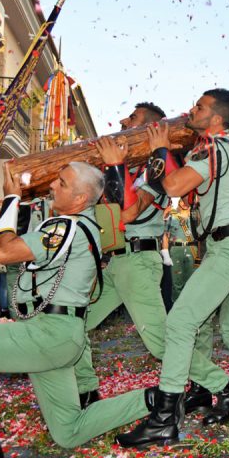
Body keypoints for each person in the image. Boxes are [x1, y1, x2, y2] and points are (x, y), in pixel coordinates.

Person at [0, 162, 150, 458]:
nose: (53, 186)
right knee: (69, 431)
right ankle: (159, 399)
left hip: (47, 334)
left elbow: (2, 252)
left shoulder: (65, 226)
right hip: (57, 336)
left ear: (81, 199)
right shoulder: (78, 226)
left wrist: (11, 199)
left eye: (62, 182)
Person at [117, 89, 229, 447]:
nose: (191, 109)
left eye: (199, 107)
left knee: (180, 323)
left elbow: (173, 186)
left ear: (216, 119)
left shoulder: (212, 146)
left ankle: (165, 420)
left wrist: (160, 150)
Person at [75, 102, 171, 407]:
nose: (122, 119)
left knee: (158, 341)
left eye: (133, 118)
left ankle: (214, 386)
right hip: (115, 262)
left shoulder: (158, 171)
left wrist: (115, 167)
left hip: (139, 262)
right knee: (75, 321)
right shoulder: (124, 170)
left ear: (150, 129)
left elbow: (128, 213)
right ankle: (87, 391)